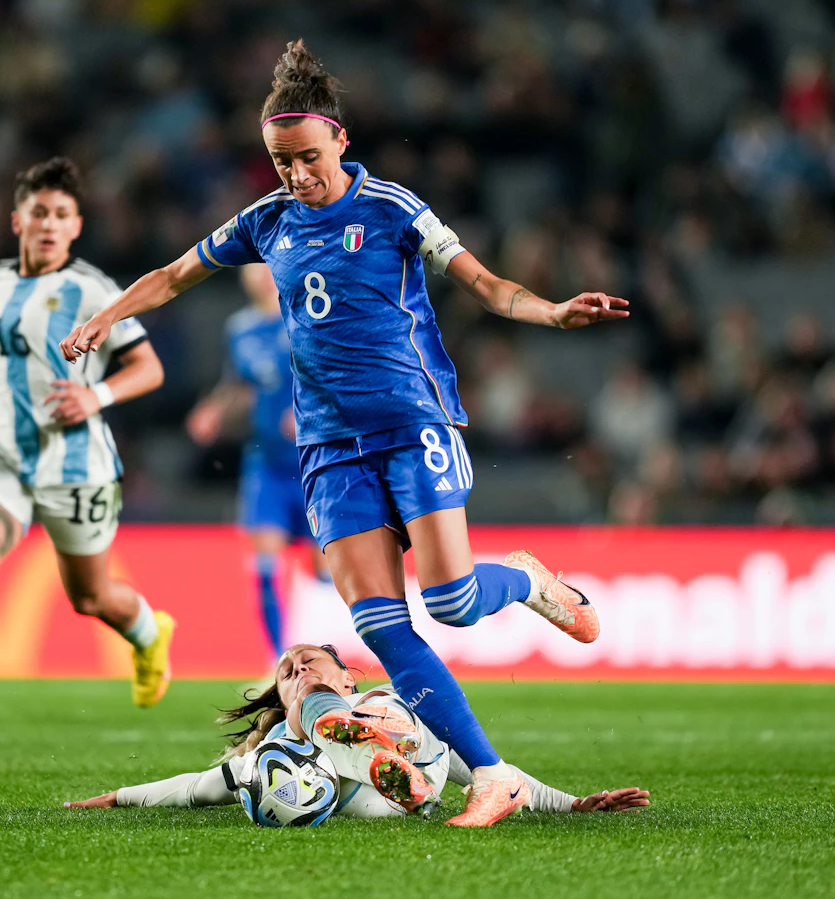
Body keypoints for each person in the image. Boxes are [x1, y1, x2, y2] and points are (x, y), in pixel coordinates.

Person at [60, 41, 630, 826]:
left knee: (456, 603)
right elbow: (172, 275)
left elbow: (487, 285)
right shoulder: (266, 221)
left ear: (340, 143)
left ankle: (528, 581)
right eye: (280, 161)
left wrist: (553, 310)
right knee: (380, 626)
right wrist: (107, 316)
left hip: (411, 422)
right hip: (328, 449)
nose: (296, 175)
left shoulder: (394, 207)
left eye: (306, 157)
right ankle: (493, 776)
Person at [0, 157, 174, 764]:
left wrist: (96, 395)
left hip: (75, 466)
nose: (48, 224)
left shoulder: (91, 290)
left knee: (91, 599)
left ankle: (150, 632)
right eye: (39, 213)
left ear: (76, 226)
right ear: (18, 220)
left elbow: (148, 368)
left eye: (61, 215)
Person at [64, 643, 651, 821]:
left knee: (395, 712)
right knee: (315, 739)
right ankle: (381, 768)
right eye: (287, 673)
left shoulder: (381, 698)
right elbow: (192, 788)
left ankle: (369, 747)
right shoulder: (265, 760)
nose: (297, 672)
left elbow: (494, 778)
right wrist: (117, 796)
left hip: (404, 739)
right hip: (404, 772)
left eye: (310, 663)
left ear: (345, 675)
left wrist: (573, 804)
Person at [186, 263, 332, 661]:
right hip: (264, 461)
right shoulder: (240, 328)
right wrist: (214, 410)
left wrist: (307, 412)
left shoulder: (307, 316)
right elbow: (239, 384)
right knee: (264, 561)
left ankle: (326, 655)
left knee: (324, 567)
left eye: (266, 267)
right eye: (252, 268)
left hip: (312, 460)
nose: (260, 276)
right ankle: (277, 662)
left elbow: (333, 373)